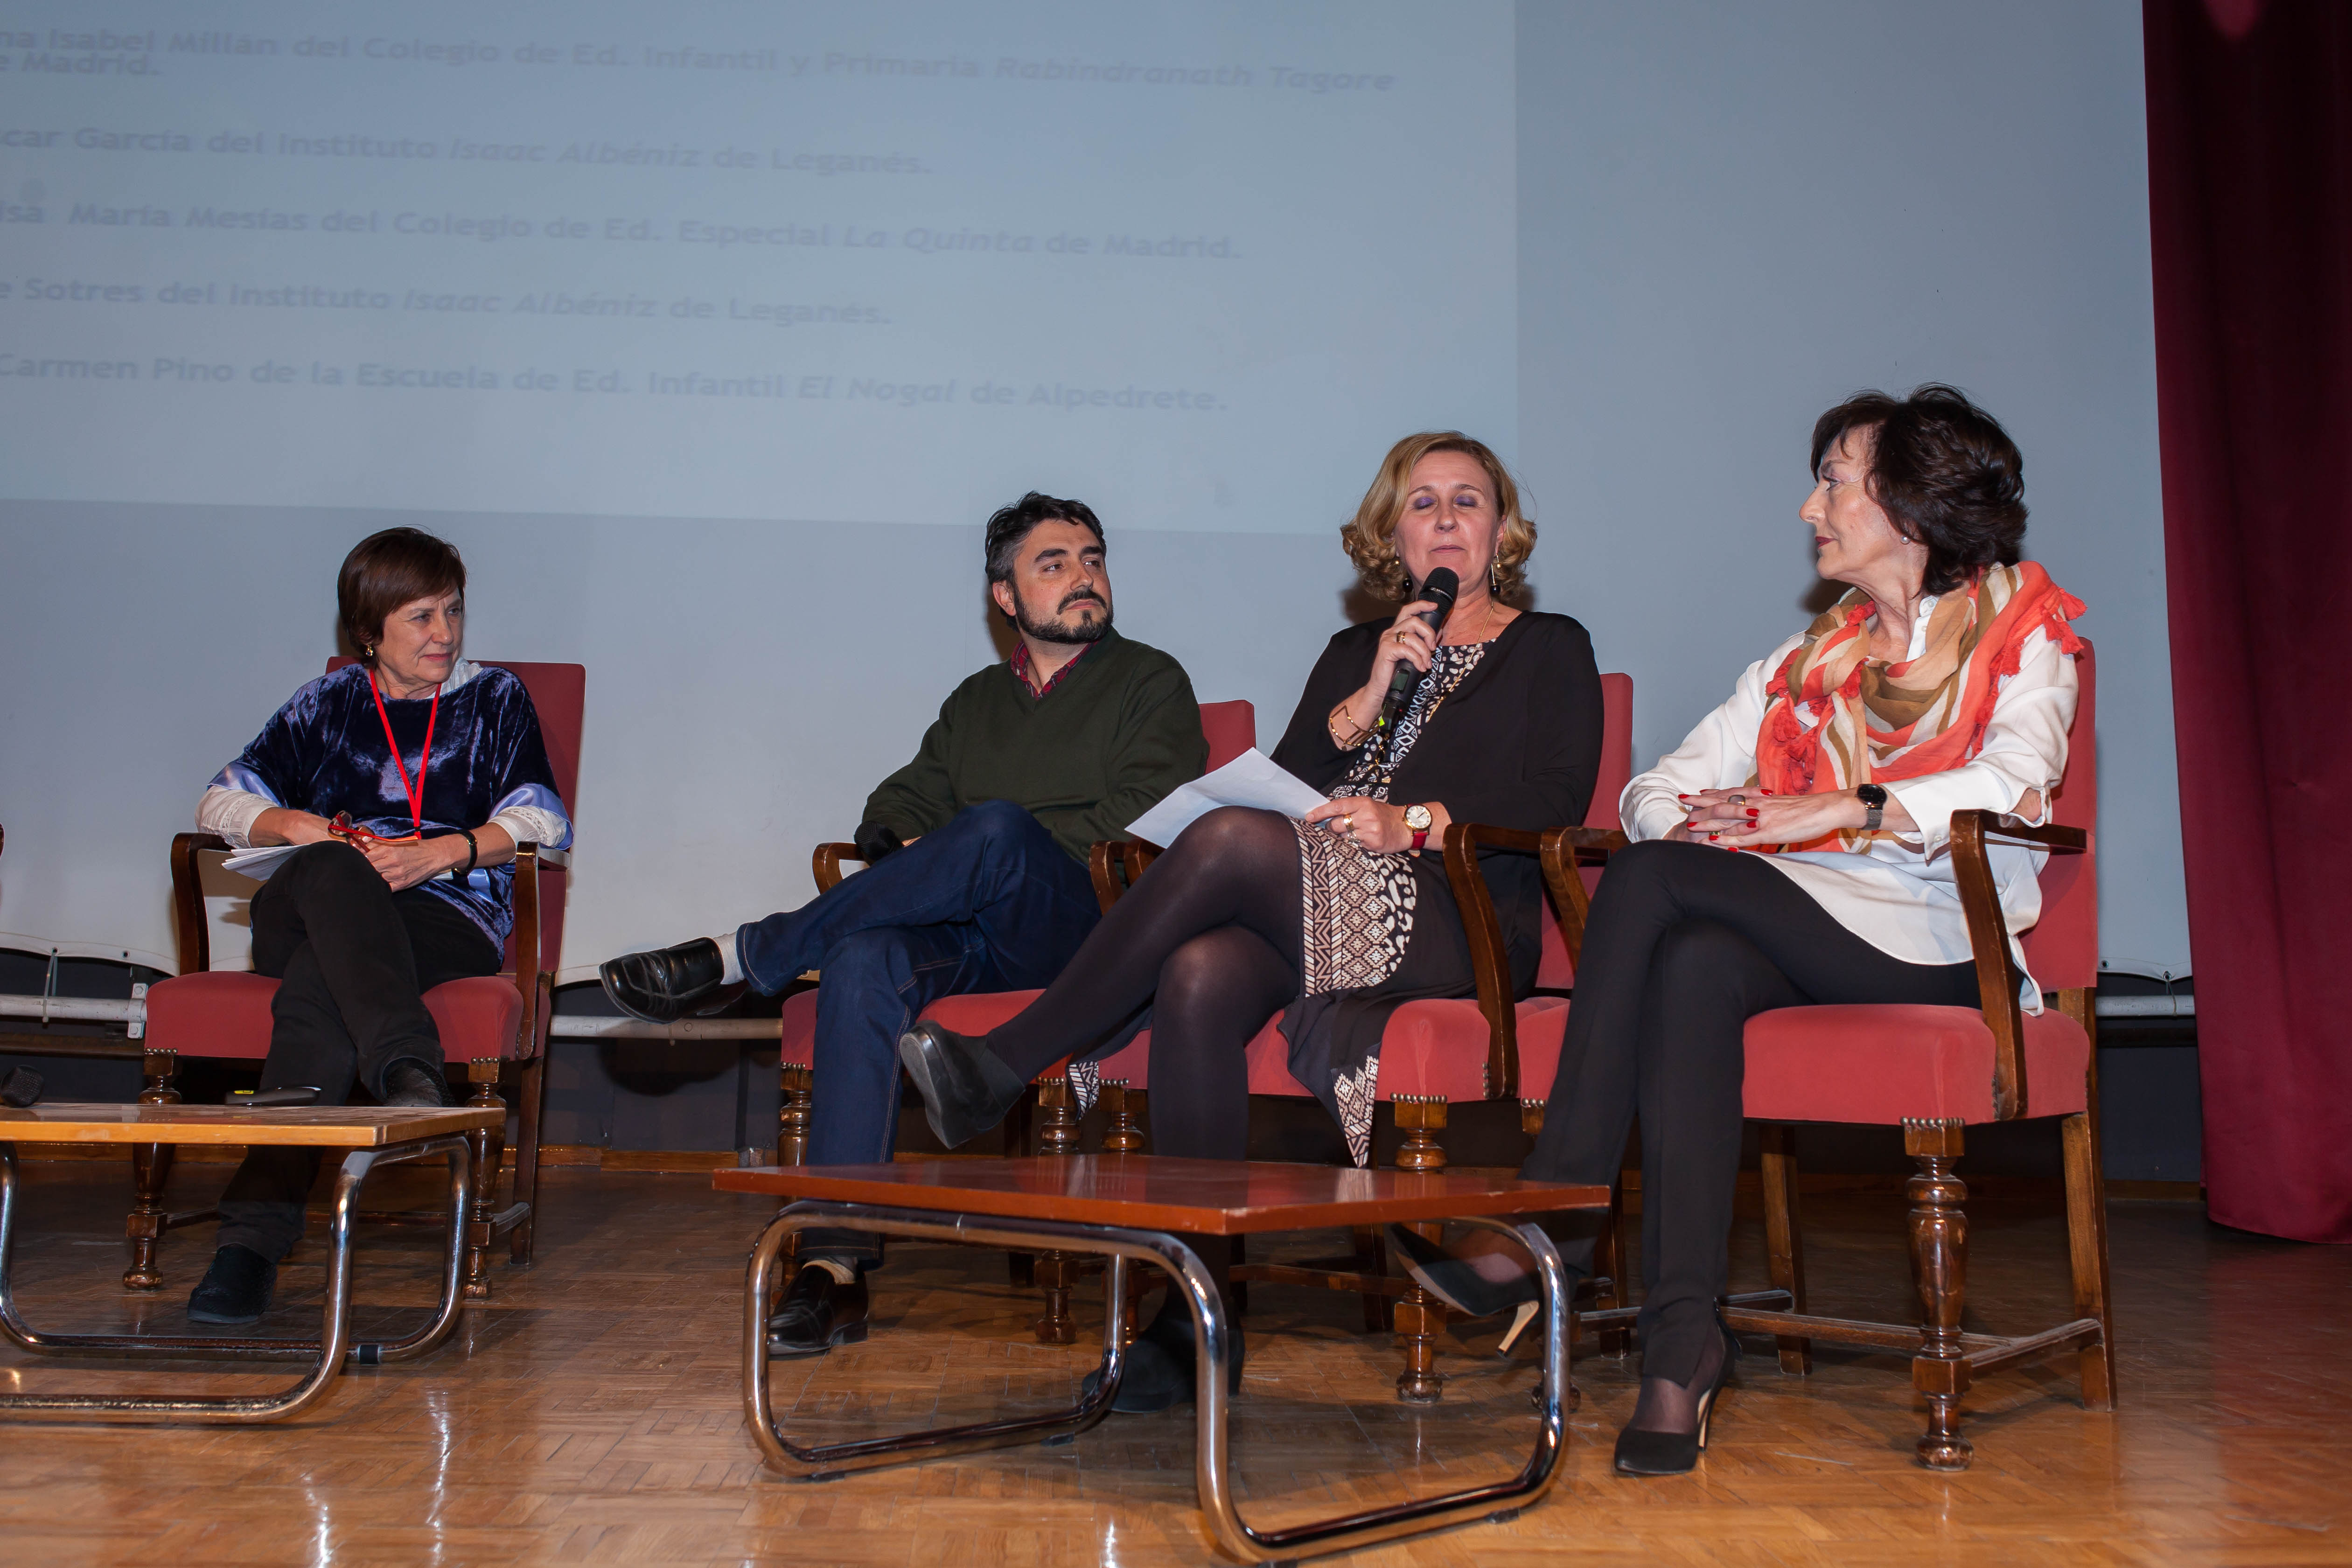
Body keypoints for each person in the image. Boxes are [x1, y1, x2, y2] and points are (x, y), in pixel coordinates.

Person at [1391, 384, 2086, 1477]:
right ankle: (1681, 1346)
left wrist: (1846, 806)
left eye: (1834, 483)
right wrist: (1723, 829)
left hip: (1945, 943)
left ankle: (1556, 1218)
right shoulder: (1805, 663)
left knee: (1659, 889)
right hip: (1807, 921)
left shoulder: (2021, 630)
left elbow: (2015, 777)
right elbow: (1651, 791)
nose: (1811, 509)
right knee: (1692, 961)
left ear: (1908, 507)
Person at [894, 432, 1605, 1411]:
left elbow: (1554, 798)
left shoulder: (1550, 645)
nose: (1445, 519)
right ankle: (1199, 1319)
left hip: (1456, 915)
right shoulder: (1355, 653)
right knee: (1195, 974)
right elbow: (1290, 789)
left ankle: (1007, 1061)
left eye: (1467, 500)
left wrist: (1409, 821)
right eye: (1423, 502)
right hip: (1323, 903)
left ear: (1501, 529)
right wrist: (1366, 699)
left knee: (1228, 839)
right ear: (1392, 534)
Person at [599, 492, 1207, 1358]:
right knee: (863, 958)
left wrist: (980, 844)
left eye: (1093, 559)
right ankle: (835, 1267)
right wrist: (915, 847)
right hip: (978, 932)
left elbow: (1137, 821)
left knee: (996, 829)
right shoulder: (977, 701)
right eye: (1055, 564)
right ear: (1005, 596)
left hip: (1087, 930)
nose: (1084, 577)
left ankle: (742, 954)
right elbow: (897, 800)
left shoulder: (1151, 681)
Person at [186, 527, 572, 1324]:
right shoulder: (326, 703)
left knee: (318, 989)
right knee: (335, 869)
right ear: (370, 630)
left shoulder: (494, 699)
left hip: (442, 912)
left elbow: (542, 820)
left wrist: (440, 853)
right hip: (310, 903)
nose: (444, 633)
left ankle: (247, 1247)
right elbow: (219, 802)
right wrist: (303, 828)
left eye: (453, 611)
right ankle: (408, 1066)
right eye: (421, 617)